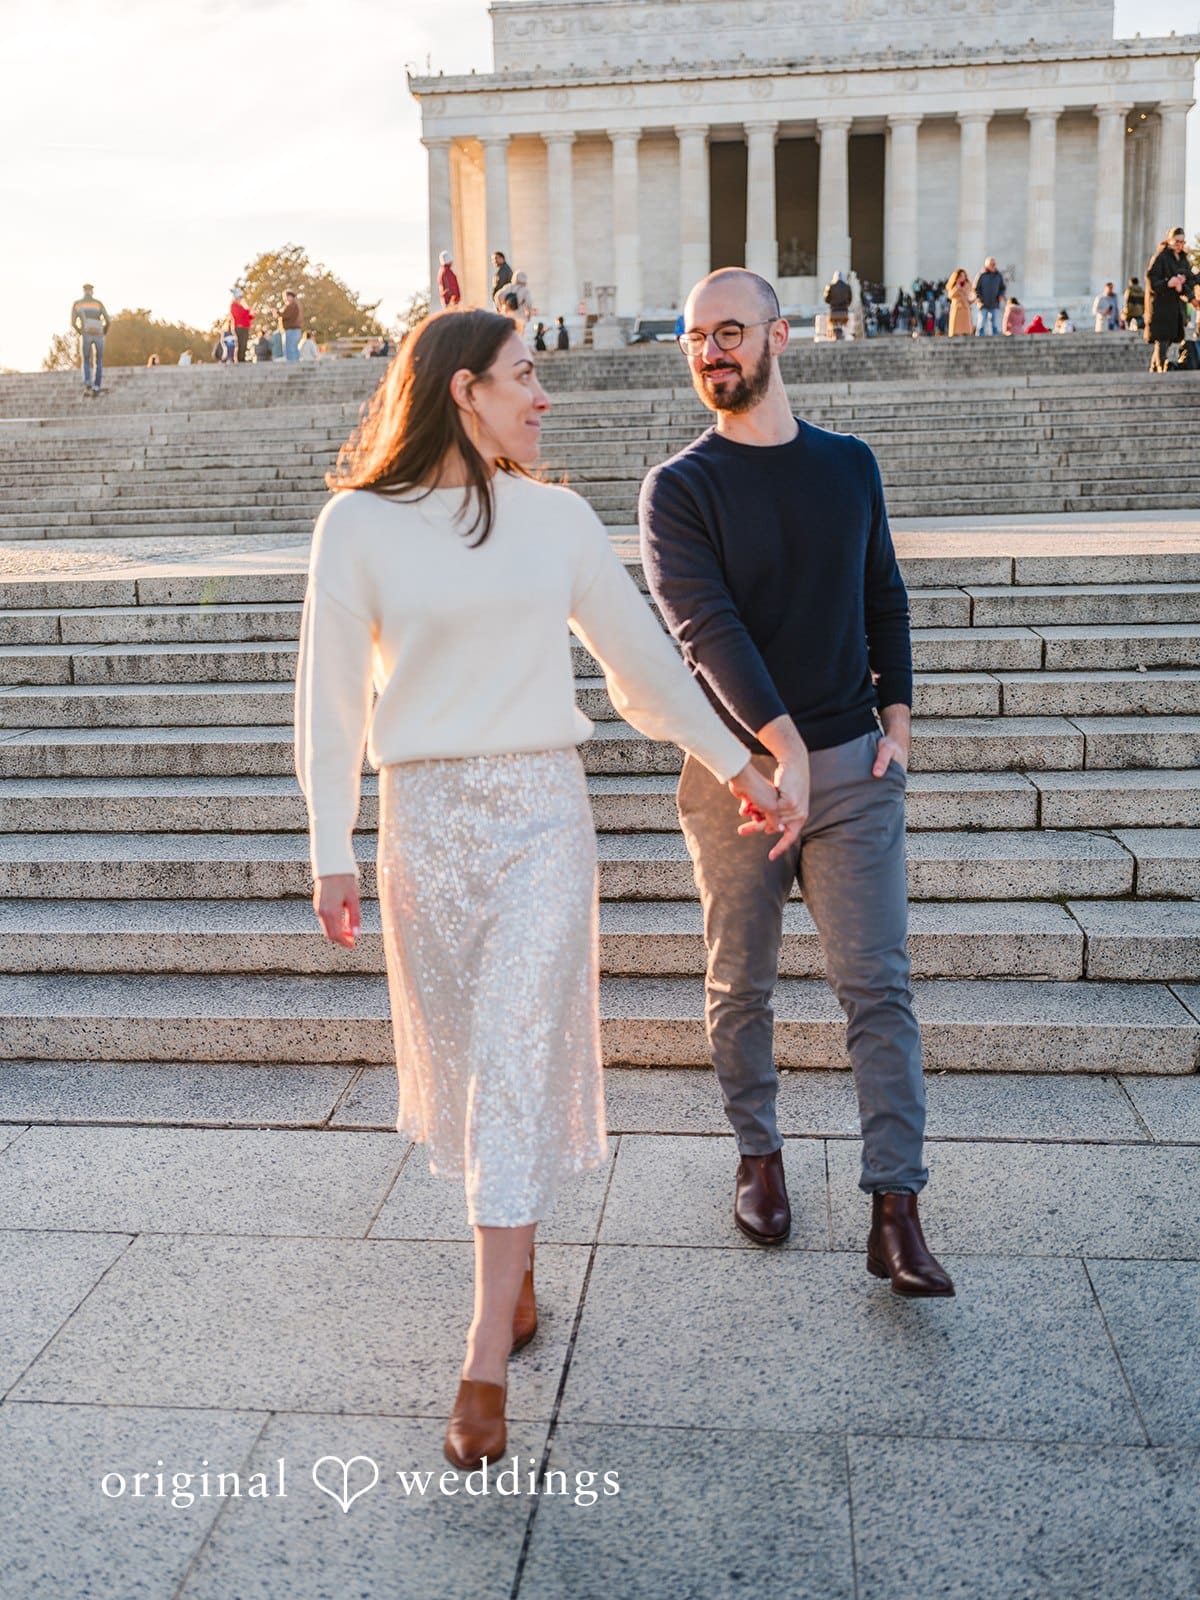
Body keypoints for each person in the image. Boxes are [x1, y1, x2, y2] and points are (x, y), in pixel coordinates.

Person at [293, 308, 785, 1473]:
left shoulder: (558, 519)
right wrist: (331, 843)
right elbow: (329, 700)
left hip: (541, 825)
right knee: (474, 1082)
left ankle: (479, 1357)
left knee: (514, 1063)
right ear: (465, 389)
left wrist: (740, 764)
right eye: (525, 377)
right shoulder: (354, 526)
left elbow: (645, 667)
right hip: (427, 831)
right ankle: (512, 1280)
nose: (543, 398)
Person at [641, 266, 954, 1297]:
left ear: (781, 337)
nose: (709, 351)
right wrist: (776, 755)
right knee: (742, 982)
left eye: (729, 331)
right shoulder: (679, 487)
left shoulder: (849, 465)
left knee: (881, 986)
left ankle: (897, 1210)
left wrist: (894, 733)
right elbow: (704, 630)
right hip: (737, 772)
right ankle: (760, 1156)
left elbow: (887, 599)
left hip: (853, 767)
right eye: (694, 337)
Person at [1145, 225, 1198, 372]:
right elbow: (1151, 278)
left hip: (1174, 306)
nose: (1179, 245)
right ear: (1169, 240)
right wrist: (1168, 282)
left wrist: (1188, 294)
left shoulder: (1182, 259)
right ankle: (1159, 367)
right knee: (1162, 338)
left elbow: (1189, 279)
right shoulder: (1161, 257)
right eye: (1176, 241)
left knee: (1167, 339)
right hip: (1161, 306)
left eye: (1182, 242)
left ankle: (1155, 367)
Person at [71, 282, 110, 398]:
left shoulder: (78, 304)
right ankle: (97, 386)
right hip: (99, 333)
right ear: (92, 291)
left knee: (86, 360)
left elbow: (73, 322)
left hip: (86, 333)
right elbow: (108, 320)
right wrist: (104, 332)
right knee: (99, 360)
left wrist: (80, 332)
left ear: (83, 291)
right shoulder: (98, 304)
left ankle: (88, 383)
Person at [972, 257, 1006, 335]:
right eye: (992, 264)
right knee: (981, 324)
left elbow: (1002, 288)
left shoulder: (998, 275)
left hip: (995, 303)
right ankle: (979, 339)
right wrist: (979, 297)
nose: (994, 266)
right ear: (987, 265)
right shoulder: (981, 275)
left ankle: (995, 340)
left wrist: (1001, 295)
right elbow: (975, 288)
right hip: (983, 304)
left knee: (995, 325)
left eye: (994, 264)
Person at [823, 270, 851, 337]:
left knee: (830, 322)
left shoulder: (830, 286)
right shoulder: (847, 287)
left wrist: (832, 302)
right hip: (844, 312)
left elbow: (826, 299)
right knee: (843, 323)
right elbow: (850, 299)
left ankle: (831, 335)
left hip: (833, 311)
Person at [946, 268, 973, 337]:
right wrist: (957, 286)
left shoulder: (968, 285)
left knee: (965, 327)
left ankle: (966, 334)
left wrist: (963, 289)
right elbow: (950, 295)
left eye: (964, 276)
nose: (962, 278)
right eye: (960, 276)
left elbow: (970, 296)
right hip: (957, 308)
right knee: (956, 327)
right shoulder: (954, 285)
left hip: (965, 308)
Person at [230, 290, 254, 363]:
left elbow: (247, 317)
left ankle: (242, 358)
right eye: (239, 297)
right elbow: (239, 315)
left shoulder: (241, 307)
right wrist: (248, 310)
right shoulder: (233, 306)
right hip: (239, 327)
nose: (241, 299)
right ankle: (239, 359)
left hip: (245, 327)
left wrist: (251, 314)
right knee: (240, 343)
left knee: (244, 344)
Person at [280, 290, 303, 361]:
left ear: (289, 296)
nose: (284, 298)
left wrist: (278, 313)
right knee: (294, 348)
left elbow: (286, 315)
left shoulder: (291, 304)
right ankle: (295, 365)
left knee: (290, 349)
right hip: (295, 330)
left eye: (285, 296)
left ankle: (292, 366)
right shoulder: (296, 304)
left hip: (291, 330)